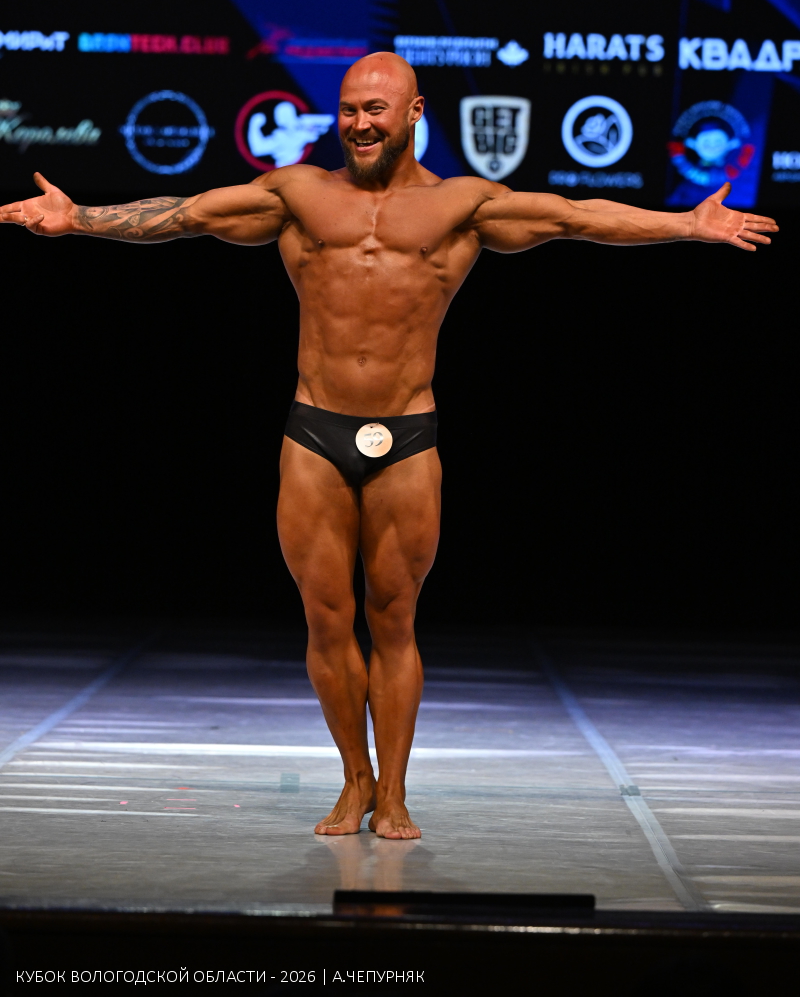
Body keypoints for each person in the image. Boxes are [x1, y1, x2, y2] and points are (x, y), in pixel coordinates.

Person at [0, 53, 778, 839]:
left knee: (395, 620)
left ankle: (396, 792)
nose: (360, 123)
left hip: (406, 436)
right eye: (349, 109)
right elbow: (186, 214)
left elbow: (575, 216)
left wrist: (687, 224)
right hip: (314, 430)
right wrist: (80, 217)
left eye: (375, 108)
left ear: (413, 111)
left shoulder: (462, 205)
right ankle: (354, 778)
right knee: (326, 621)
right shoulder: (299, 194)